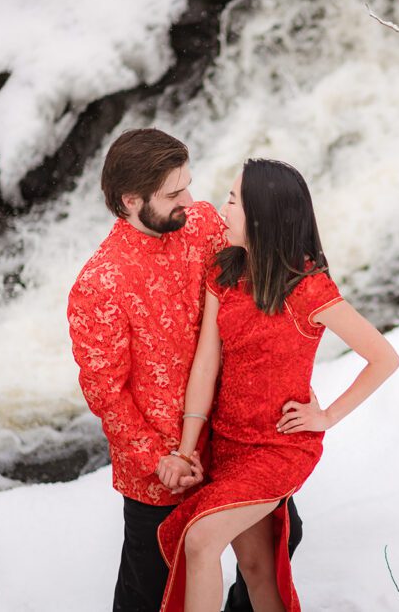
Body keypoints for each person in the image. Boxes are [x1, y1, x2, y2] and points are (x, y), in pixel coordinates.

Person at [67, 129, 302, 612]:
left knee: (283, 537)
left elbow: (255, 292)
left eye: (189, 186)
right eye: (175, 194)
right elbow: (105, 395)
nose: (191, 202)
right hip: (163, 466)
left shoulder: (201, 225)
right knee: (149, 589)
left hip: (234, 435)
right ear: (131, 201)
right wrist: (161, 459)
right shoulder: (99, 284)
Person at [155, 159, 399, 612]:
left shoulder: (309, 289)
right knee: (257, 570)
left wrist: (325, 417)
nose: (223, 210)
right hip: (230, 444)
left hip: (280, 448)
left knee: (201, 539)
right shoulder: (225, 272)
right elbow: (206, 366)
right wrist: (188, 449)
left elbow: (384, 358)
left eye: (233, 201)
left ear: (263, 216)